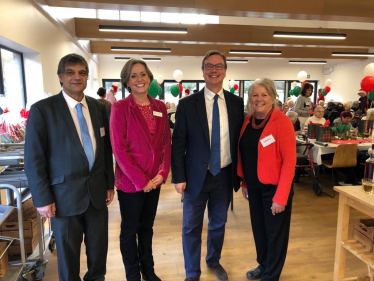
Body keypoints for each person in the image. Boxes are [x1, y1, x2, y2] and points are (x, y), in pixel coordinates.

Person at [24, 53, 114, 281]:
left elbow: (105, 149)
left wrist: (109, 183)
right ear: (60, 77)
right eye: (71, 72)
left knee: (98, 254)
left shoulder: (97, 108)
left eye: (82, 73)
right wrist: (42, 198)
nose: (77, 77)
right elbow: (34, 158)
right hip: (63, 198)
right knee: (68, 256)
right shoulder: (43, 110)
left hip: (96, 195)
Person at [171, 50, 244, 281]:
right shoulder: (187, 104)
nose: (214, 70)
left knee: (218, 225)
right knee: (191, 228)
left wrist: (242, 176)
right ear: (203, 71)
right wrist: (179, 177)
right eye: (209, 66)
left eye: (219, 66)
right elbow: (178, 144)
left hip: (224, 175)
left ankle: (213, 260)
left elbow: (239, 142)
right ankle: (192, 272)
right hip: (195, 177)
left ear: (225, 71)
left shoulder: (236, 103)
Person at [110, 58, 171, 281]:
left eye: (143, 74)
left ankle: (148, 269)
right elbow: (119, 149)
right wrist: (141, 180)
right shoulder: (120, 107)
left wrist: (162, 173)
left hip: (154, 181)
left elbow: (166, 143)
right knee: (129, 231)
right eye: (134, 76)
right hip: (131, 183)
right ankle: (133, 274)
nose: (139, 79)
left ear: (149, 78)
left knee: (147, 228)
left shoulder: (159, 107)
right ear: (127, 81)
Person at [237, 78, 296, 281]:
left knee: (275, 234)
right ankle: (263, 265)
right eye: (255, 95)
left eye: (264, 94)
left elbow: (290, 162)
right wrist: (245, 182)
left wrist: (281, 196)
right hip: (254, 187)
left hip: (275, 189)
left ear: (272, 97)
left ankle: (271, 275)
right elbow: (247, 155)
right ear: (250, 98)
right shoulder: (248, 120)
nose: (259, 99)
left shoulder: (282, 121)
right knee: (260, 231)